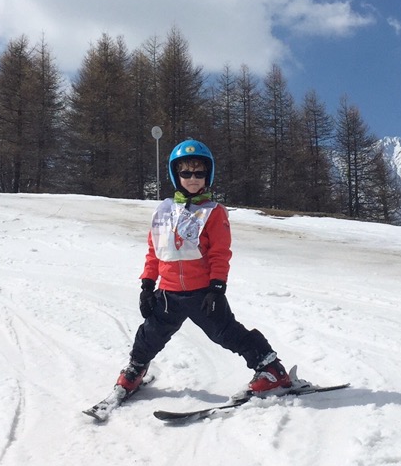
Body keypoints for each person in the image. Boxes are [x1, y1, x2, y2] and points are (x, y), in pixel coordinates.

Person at [115, 138, 293, 397]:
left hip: (202, 293)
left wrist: (217, 287)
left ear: (208, 174)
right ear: (176, 175)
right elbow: (155, 251)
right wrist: (147, 284)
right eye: (186, 173)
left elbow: (220, 253)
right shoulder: (164, 211)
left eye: (199, 173)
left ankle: (271, 369)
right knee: (149, 335)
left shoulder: (213, 212)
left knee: (227, 333)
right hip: (168, 293)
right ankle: (136, 369)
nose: (193, 178)